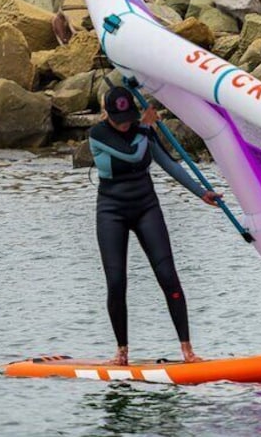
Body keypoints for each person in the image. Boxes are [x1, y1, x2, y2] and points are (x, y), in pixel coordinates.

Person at [89, 82, 220, 365]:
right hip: (111, 211)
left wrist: (201, 192)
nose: (125, 126)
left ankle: (188, 351)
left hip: (146, 206)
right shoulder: (98, 133)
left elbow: (168, 164)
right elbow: (132, 154)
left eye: (128, 121)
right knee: (116, 282)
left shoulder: (140, 129)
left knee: (168, 276)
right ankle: (121, 353)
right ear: (107, 114)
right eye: (118, 121)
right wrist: (147, 128)